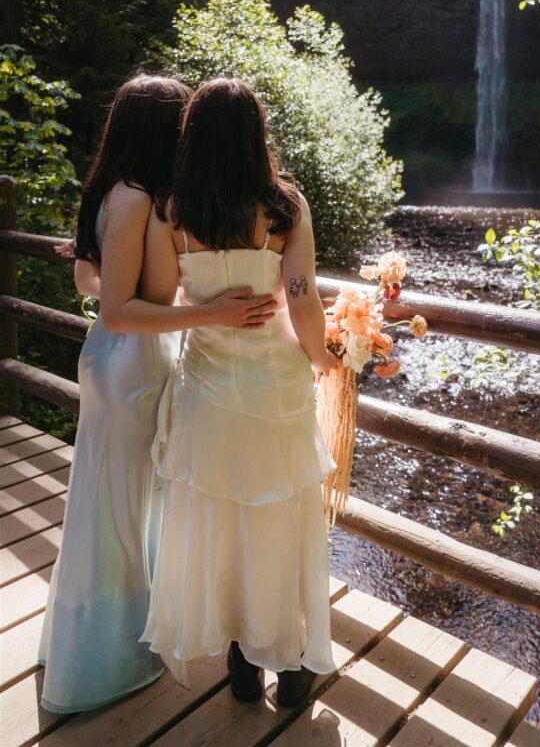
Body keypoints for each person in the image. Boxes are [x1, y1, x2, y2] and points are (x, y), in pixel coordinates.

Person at [39, 75, 278, 714]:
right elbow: (120, 309)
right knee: (117, 514)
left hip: (118, 363)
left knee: (110, 506)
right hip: (130, 362)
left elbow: (90, 278)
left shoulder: (114, 190)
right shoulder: (141, 197)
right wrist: (213, 315)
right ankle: (106, 660)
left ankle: (105, 643)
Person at [140, 76, 339, 707]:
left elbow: (157, 299)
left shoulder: (171, 210)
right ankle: (290, 656)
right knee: (281, 523)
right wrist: (325, 358)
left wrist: (207, 304)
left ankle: (240, 661)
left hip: (206, 391)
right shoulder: (284, 207)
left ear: (193, 137)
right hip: (276, 390)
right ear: (257, 135)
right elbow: (303, 301)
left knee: (220, 523)